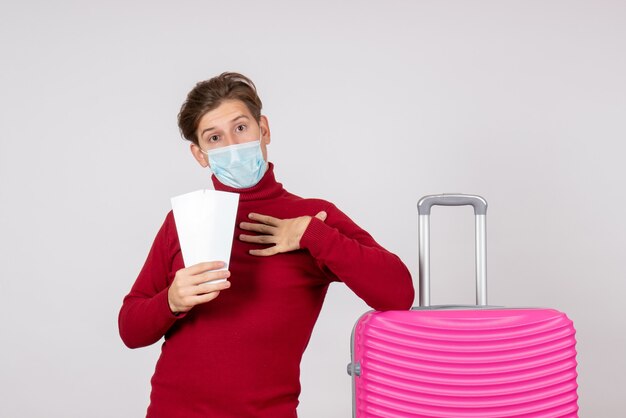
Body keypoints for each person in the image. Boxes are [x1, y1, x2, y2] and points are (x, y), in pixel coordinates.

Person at [118, 72, 414, 418]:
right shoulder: (184, 220)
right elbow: (130, 329)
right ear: (200, 154)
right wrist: (170, 300)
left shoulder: (313, 216)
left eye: (241, 128)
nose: (232, 145)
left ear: (264, 130)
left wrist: (311, 235)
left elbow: (398, 294)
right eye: (215, 138)